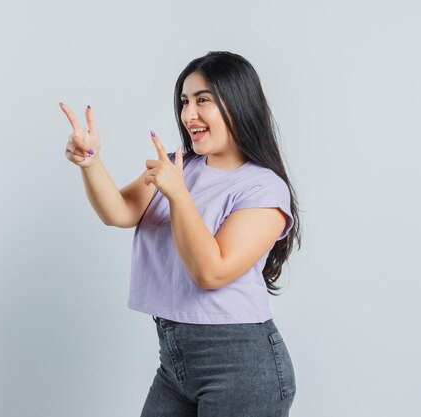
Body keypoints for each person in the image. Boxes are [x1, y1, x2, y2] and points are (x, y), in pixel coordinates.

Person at [60, 51, 301, 417]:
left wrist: (178, 195)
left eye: (203, 100)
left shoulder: (263, 188)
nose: (189, 115)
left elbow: (212, 271)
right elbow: (119, 211)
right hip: (174, 363)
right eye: (185, 101)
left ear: (238, 101)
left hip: (241, 368)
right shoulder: (180, 166)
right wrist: (90, 162)